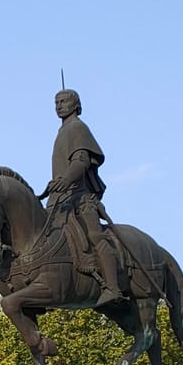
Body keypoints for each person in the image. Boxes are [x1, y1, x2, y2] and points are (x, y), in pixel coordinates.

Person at [42, 88, 128, 306]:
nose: (59, 105)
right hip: (60, 200)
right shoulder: (61, 132)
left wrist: (66, 180)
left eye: (63, 101)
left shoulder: (78, 128)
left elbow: (81, 161)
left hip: (80, 198)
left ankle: (112, 287)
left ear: (75, 105)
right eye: (56, 102)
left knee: (94, 236)